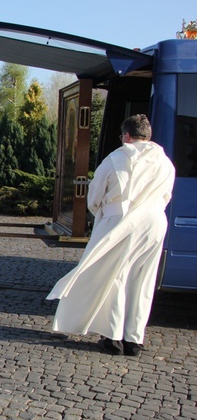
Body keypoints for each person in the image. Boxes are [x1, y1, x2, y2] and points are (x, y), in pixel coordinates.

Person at [48, 114, 175, 356]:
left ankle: (113, 337)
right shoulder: (166, 163)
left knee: (115, 276)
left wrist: (100, 213)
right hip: (155, 221)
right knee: (144, 279)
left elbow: (95, 195)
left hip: (121, 220)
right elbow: (166, 196)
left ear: (126, 136)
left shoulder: (117, 158)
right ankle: (134, 339)